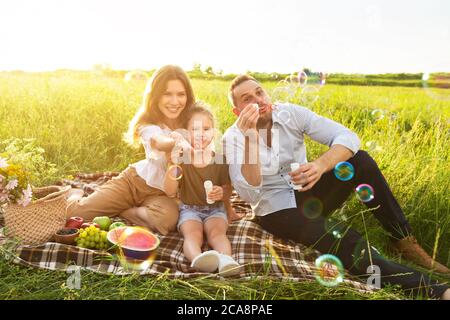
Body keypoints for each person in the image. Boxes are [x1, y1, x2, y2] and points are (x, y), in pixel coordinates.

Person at [223, 74, 450, 299]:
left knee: (360, 161)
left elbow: (347, 136)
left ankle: (402, 240)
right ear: (237, 111)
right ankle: (436, 291)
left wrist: (321, 165)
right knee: (346, 240)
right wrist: (250, 139)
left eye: (259, 92)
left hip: (308, 190)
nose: (258, 100)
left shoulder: (290, 113)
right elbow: (248, 191)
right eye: (247, 98)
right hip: (277, 209)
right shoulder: (233, 138)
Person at [66, 65, 195, 235]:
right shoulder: (148, 124)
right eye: (167, 94)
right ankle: (75, 193)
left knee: (167, 220)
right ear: (155, 96)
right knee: (75, 214)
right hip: (134, 183)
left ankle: (127, 211)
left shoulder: (193, 122)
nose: (174, 101)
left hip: (163, 194)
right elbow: (158, 141)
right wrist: (177, 142)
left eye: (180, 94)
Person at [162, 102, 241, 276]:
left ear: (213, 132)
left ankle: (226, 260)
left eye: (206, 129)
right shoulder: (181, 159)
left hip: (215, 210)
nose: (200, 135)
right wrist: (174, 161)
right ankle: (198, 259)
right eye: (194, 130)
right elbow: (169, 190)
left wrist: (222, 192)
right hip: (189, 209)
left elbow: (227, 189)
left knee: (217, 234)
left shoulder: (220, 159)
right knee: (193, 234)